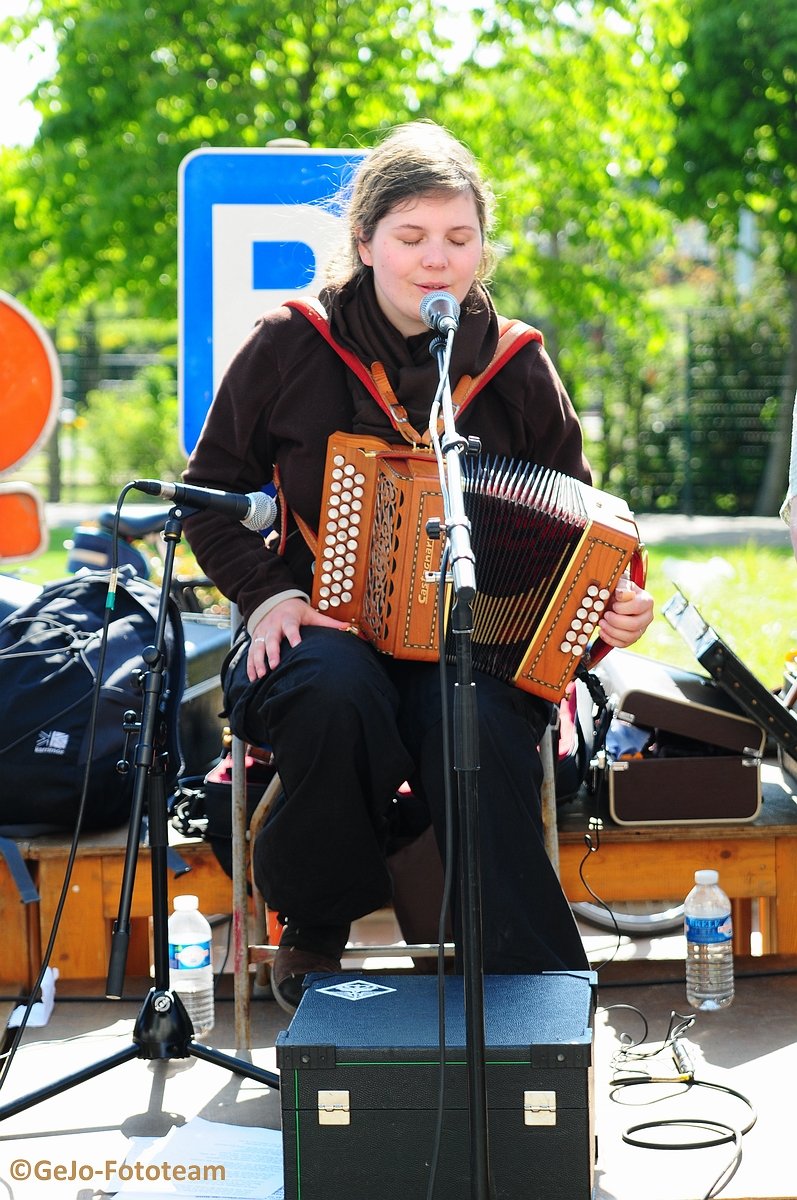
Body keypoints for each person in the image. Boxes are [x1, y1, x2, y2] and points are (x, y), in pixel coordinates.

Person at [182, 120, 654, 1014]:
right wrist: (268, 593)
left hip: (469, 649)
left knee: (468, 714)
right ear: (364, 243)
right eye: (410, 238)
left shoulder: (514, 363)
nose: (436, 260)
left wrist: (614, 599)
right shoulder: (291, 344)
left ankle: (531, 987)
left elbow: (586, 519)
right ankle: (314, 926)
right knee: (333, 688)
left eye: (458, 238)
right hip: (321, 638)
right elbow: (206, 494)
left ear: (481, 247)